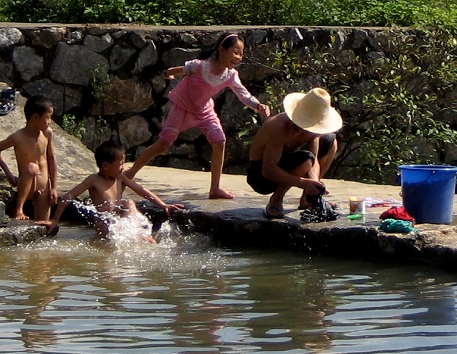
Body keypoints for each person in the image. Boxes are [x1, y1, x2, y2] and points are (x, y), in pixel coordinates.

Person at [127, 33, 270, 200]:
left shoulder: (231, 75)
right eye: (235, 52)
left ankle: (215, 188)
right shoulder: (200, 66)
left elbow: (243, 95)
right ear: (222, 49)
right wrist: (169, 73)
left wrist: (258, 105)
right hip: (182, 107)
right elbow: (180, 69)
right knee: (163, 144)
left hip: (204, 111)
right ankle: (130, 173)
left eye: (241, 53)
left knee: (219, 141)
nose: (239, 57)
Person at [247, 87, 342, 220]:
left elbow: (313, 160)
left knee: (330, 141)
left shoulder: (312, 132)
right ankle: (276, 199)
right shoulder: (279, 127)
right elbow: (267, 169)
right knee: (305, 160)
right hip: (261, 176)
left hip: (284, 164)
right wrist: (302, 182)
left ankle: (308, 199)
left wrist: (314, 184)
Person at [58, 141, 185, 239]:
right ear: (106, 166)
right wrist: (54, 220)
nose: (123, 168)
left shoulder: (120, 177)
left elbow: (141, 190)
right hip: (104, 223)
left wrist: (163, 205)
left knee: (128, 203)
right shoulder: (93, 180)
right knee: (105, 221)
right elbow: (69, 196)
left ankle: (140, 234)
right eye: (120, 164)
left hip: (119, 218)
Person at [0, 95, 59, 226]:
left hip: (44, 186)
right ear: (35, 117)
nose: (50, 121)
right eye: (48, 117)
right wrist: (9, 175)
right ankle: (19, 209)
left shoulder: (47, 134)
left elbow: (51, 160)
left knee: (43, 226)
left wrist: (54, 188)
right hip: (28, 187)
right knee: (32, 168)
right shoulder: (18, 137)